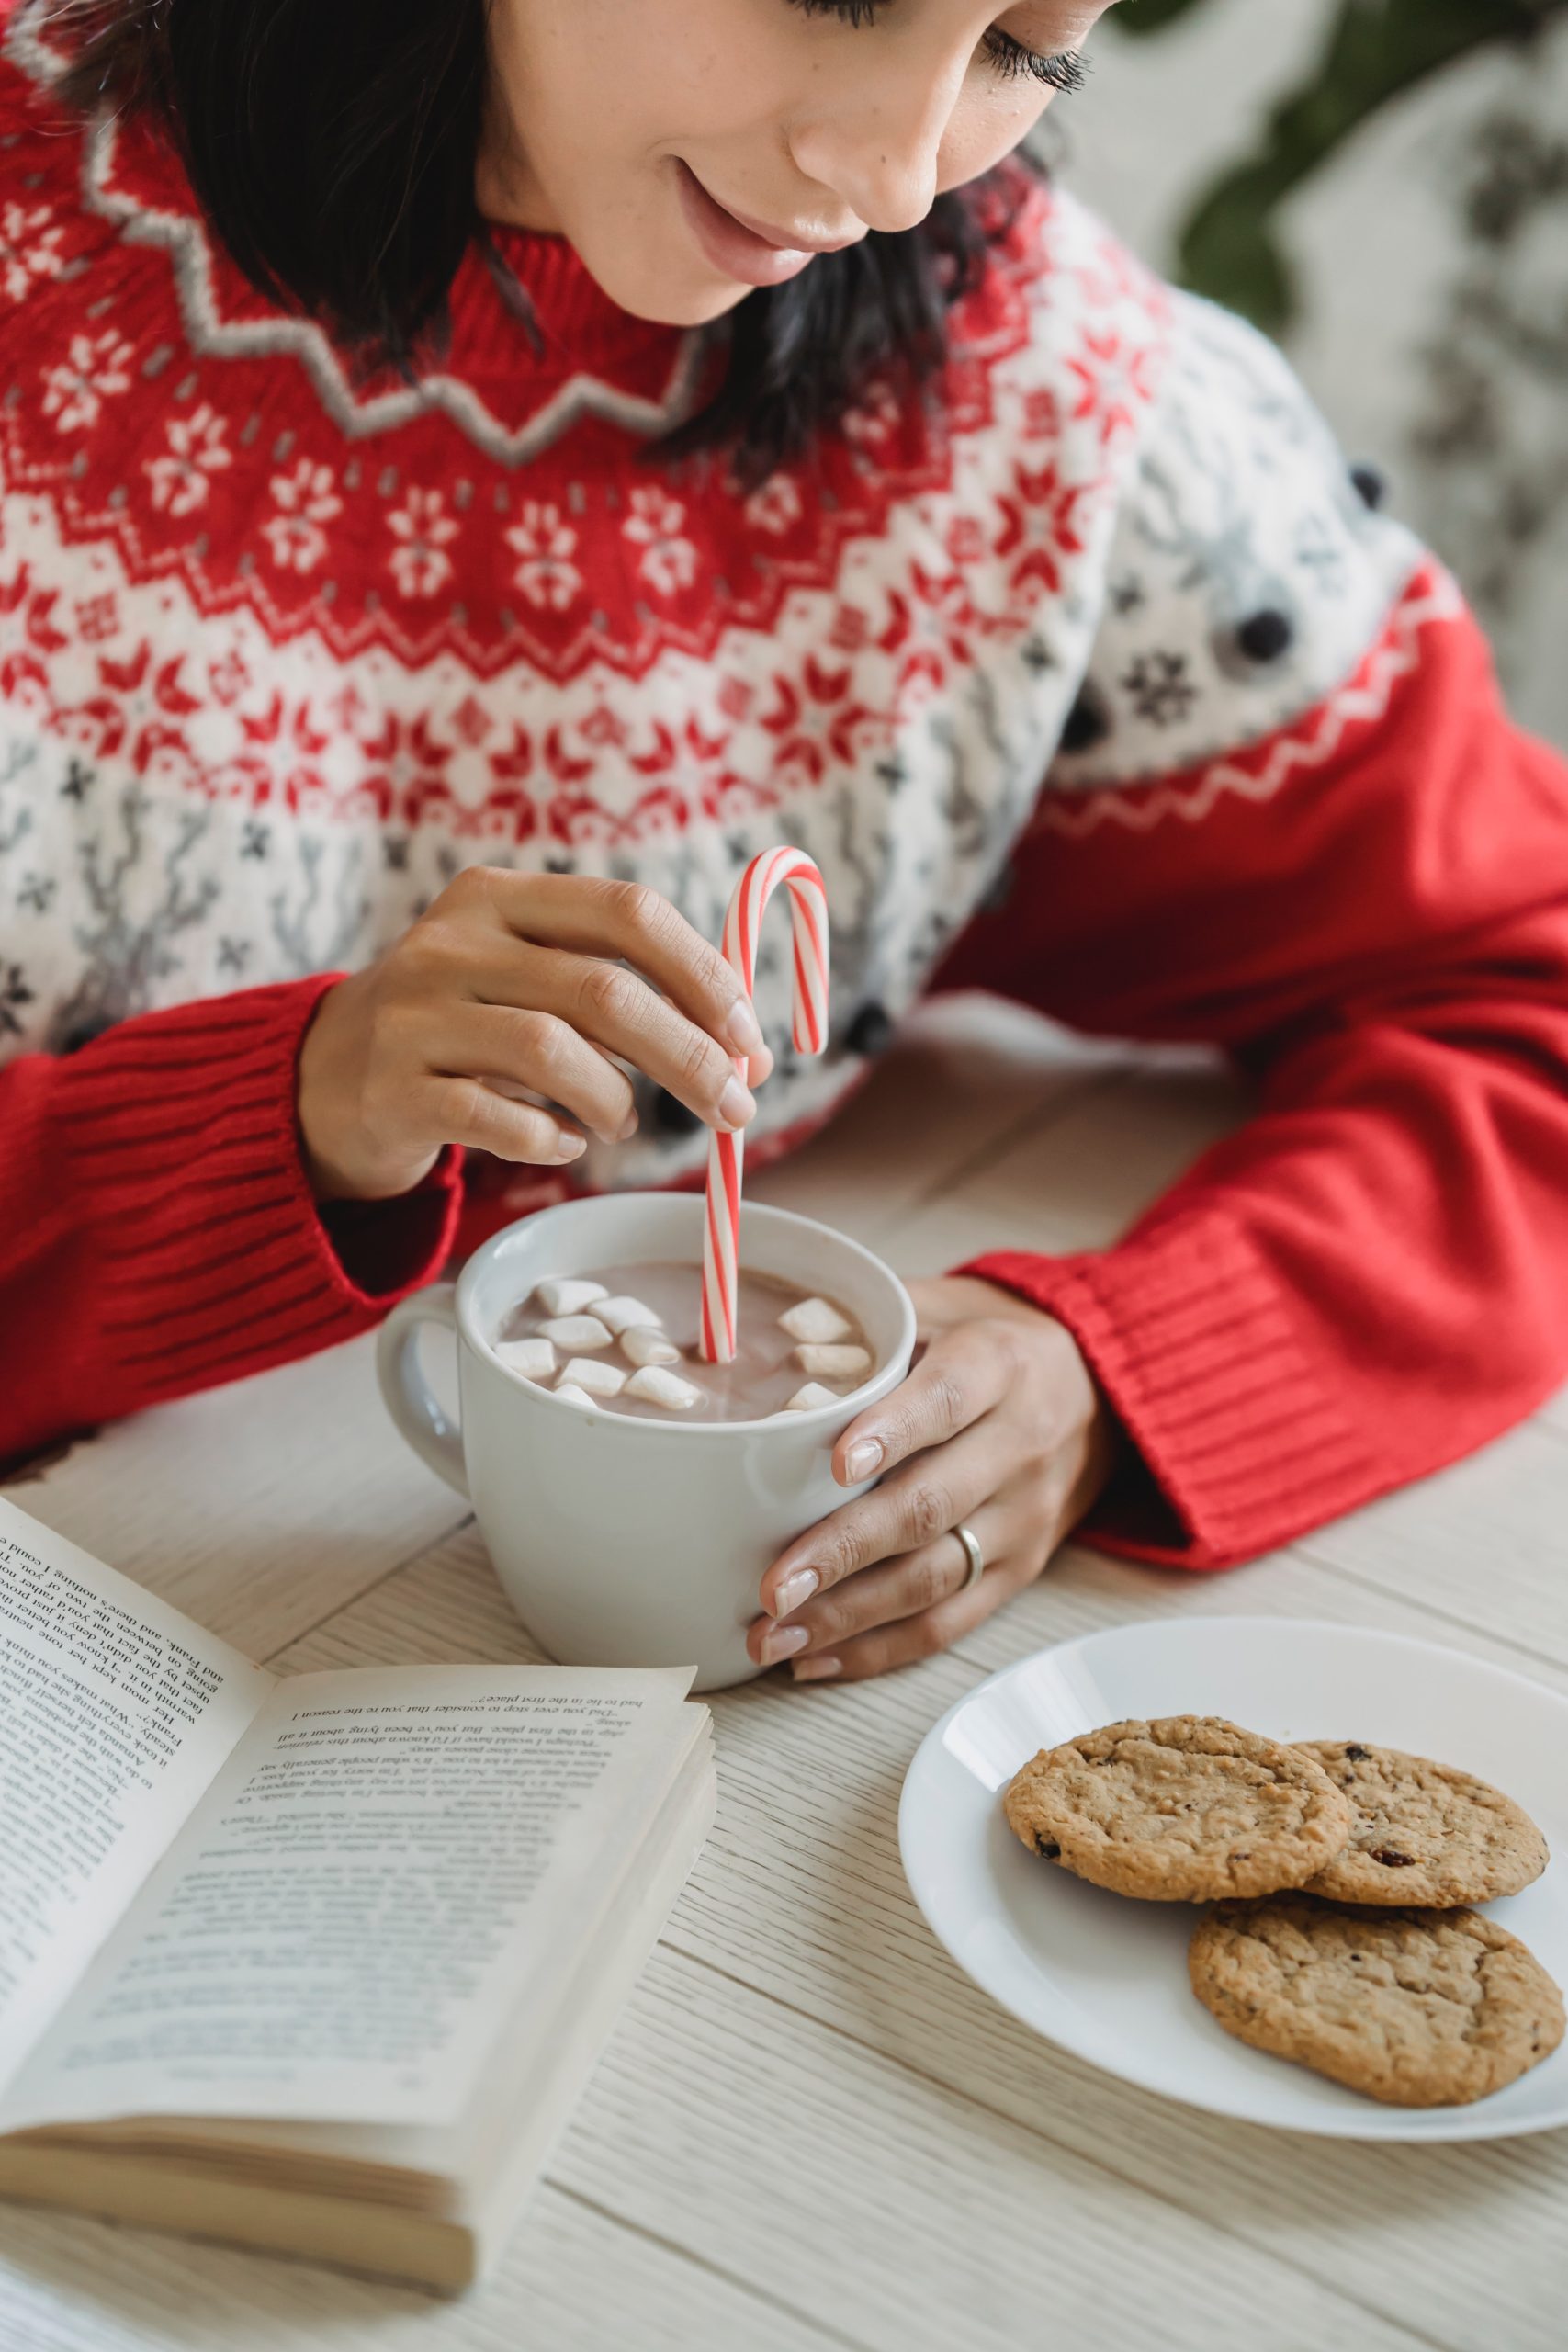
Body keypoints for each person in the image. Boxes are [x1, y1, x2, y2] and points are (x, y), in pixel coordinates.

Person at [3, 0, 1566, 1684]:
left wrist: (1110, 1373)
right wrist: (274, 1125)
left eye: (1025, 53)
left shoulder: (1037, 422)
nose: (894, 175)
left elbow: (1526, 991)